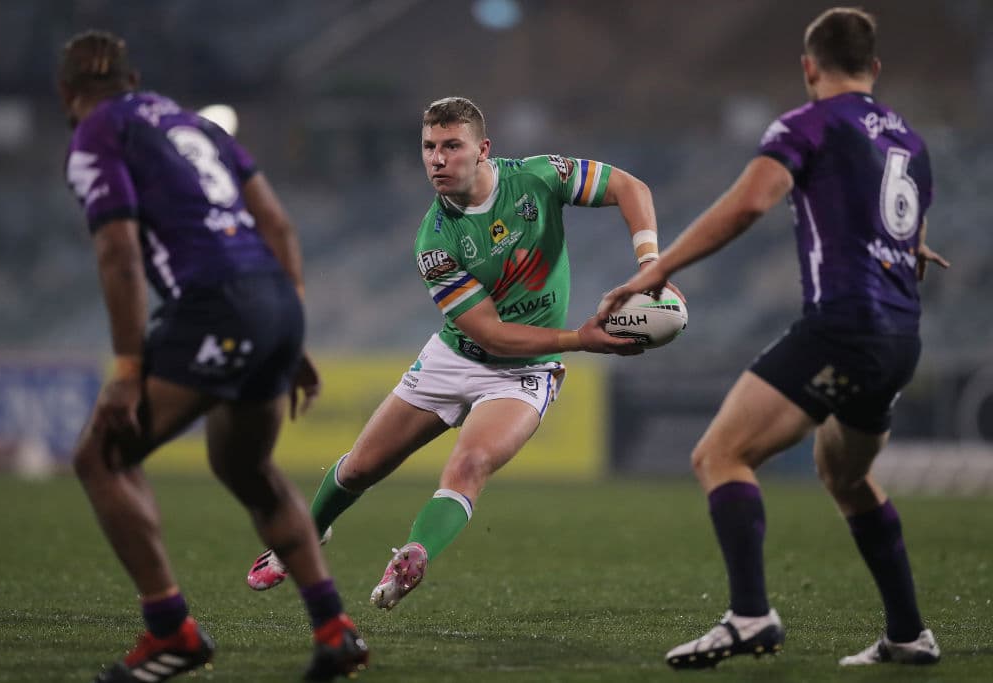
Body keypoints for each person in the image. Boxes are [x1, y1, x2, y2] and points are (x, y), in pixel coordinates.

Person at [599, 7, 949, 670]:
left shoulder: (805, 124)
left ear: (808, 66)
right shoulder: (909, 140)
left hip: (844, 325)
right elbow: (909, 227)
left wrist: (660, 266)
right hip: (902, 336)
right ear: (873, 68)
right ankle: (908, 633)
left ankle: (750, 614)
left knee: (718, 454)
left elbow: (750, 202)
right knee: (845, 475)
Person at [247, 96, 665, 610]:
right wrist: (582, 339)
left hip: (524, 373)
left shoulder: (538, 177)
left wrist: (650, 267)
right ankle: (303, 537)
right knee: (359, 469)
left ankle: (414, 554)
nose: (437, 159)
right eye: (428, 147)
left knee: (469, 464)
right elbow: (491, 334)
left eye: (451, 146)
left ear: (483, 149)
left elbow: (630, 187)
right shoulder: (434, 240)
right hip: (457, 357)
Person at [58, 30, 368, 682]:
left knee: (101, 457)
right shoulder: (186, 122)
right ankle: (334, 628)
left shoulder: (96, 133)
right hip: (275, 300)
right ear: (131, 78)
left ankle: (172, 633)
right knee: (244, 467)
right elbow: (278, 225)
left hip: (214, 304)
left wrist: (125, 370)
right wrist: (293, 328)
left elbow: (118, 253)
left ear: (70, 94)